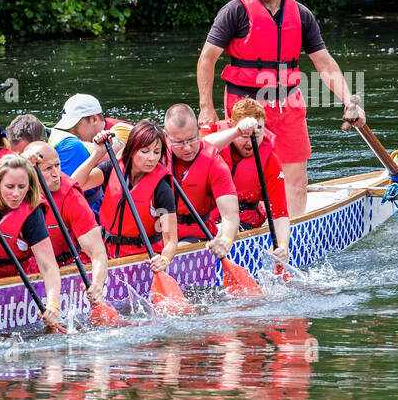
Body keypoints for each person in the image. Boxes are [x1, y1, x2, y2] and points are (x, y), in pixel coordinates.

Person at [196, 0, 366, 216]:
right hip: (244, 104)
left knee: (296, 181)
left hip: (288, 103)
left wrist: (348, 101)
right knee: (243, 176)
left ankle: (293, 239)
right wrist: (206, 107)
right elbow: (207, 59)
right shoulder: (235, 11)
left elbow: (324, 63)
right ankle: (238, 228)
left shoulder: (301, 15)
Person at [0, 154, 63, 329]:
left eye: (22, 187)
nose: (16, 194)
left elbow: (48, 266)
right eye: (9, 187)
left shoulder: (32, 213)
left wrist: (53, 304)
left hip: (7, 277)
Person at [71, 120, 178, 270]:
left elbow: (171, 240)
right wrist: (97, 154)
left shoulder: (162, 188)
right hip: (105, 252)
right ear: (132, 149)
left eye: (156, 151)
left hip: (143, 257)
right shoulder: (112, 168)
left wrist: (164, 260)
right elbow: (74, 185)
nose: (152, 158)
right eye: (145, 151)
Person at [203, 97, 290, 266]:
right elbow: (201, 148)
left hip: (244, 224)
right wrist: (237, 131)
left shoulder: (270, 161)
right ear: (231, 127)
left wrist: (282, 247)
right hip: (208, 220)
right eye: (244, 136)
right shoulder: (217, 145)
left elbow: (280, 214)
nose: (250, 141)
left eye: (256, 134)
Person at [21, 141, 108, 306]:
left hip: (70, 263)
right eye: (48, 169)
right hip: (33, 266)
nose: (56, 174)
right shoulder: (16, 190)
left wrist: (97, 283)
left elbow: (97, 252)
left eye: (57, 166)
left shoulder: (71, 196)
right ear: (31, 172)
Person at [162, 102, 241, 260]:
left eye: (192, 139)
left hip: (194, 234)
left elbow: (230, 214)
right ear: (166, 137)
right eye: (179, 142)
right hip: (157, 233)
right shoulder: (153, 154)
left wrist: (225, 240)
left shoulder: (213, 161)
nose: (187, 148)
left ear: (199, 130)